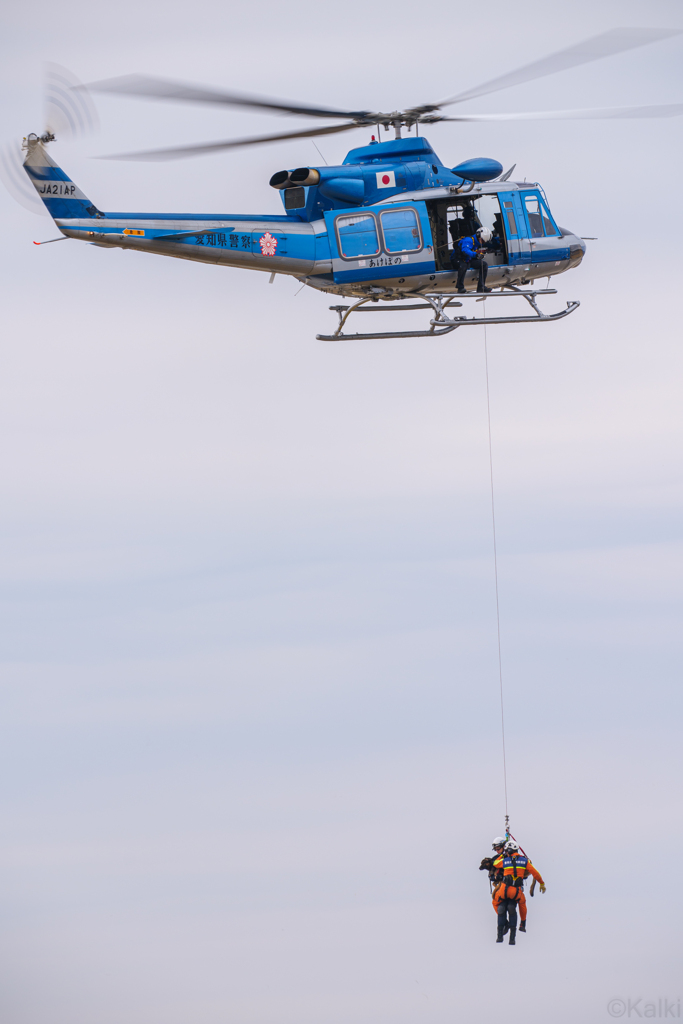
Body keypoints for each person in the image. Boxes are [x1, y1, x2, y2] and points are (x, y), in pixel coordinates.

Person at [491, 840, 546, 943]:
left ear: (507, 851)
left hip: (504, 890)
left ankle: (501, 933)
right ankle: (522, 924)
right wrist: (542, 884)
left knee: (495, 902)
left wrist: (502, 856)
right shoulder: (525, 861)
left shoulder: (505, 861)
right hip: (516, 892)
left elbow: (495, 863)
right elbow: (535, 873)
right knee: (522, 904)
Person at [450, 226, 493, 293]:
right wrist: (475, 255)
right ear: (478, 235)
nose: (482, 242)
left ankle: (481, 287)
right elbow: (465, 250)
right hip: (457, 260)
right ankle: (460, 287)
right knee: (463, 266)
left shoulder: (477, 243)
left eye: (483, 242)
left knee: (484, 264)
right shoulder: (468, 240)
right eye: (482, 240)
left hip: (467, 259)